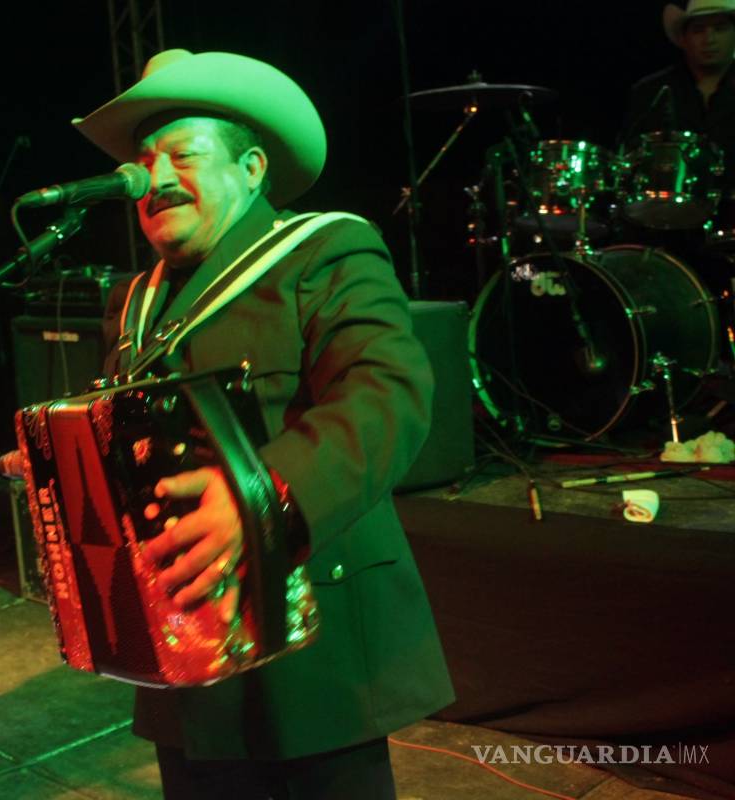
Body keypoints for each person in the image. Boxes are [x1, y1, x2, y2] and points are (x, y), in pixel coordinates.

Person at [73, 50, 455, 798]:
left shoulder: (324, 250)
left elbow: (388, 393)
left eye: (182, 154)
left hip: (313, 646)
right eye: (144, 161)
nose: (153, 177)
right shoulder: (134, 300)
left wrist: (264, 497)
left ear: (251, 169)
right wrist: (64, 462)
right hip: (183, 648)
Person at [621, 0, 735, 174]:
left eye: (720, 29)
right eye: (698, 30)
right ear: (683, 38)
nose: (709, 39)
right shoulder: (650, 91)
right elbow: (628, 159)